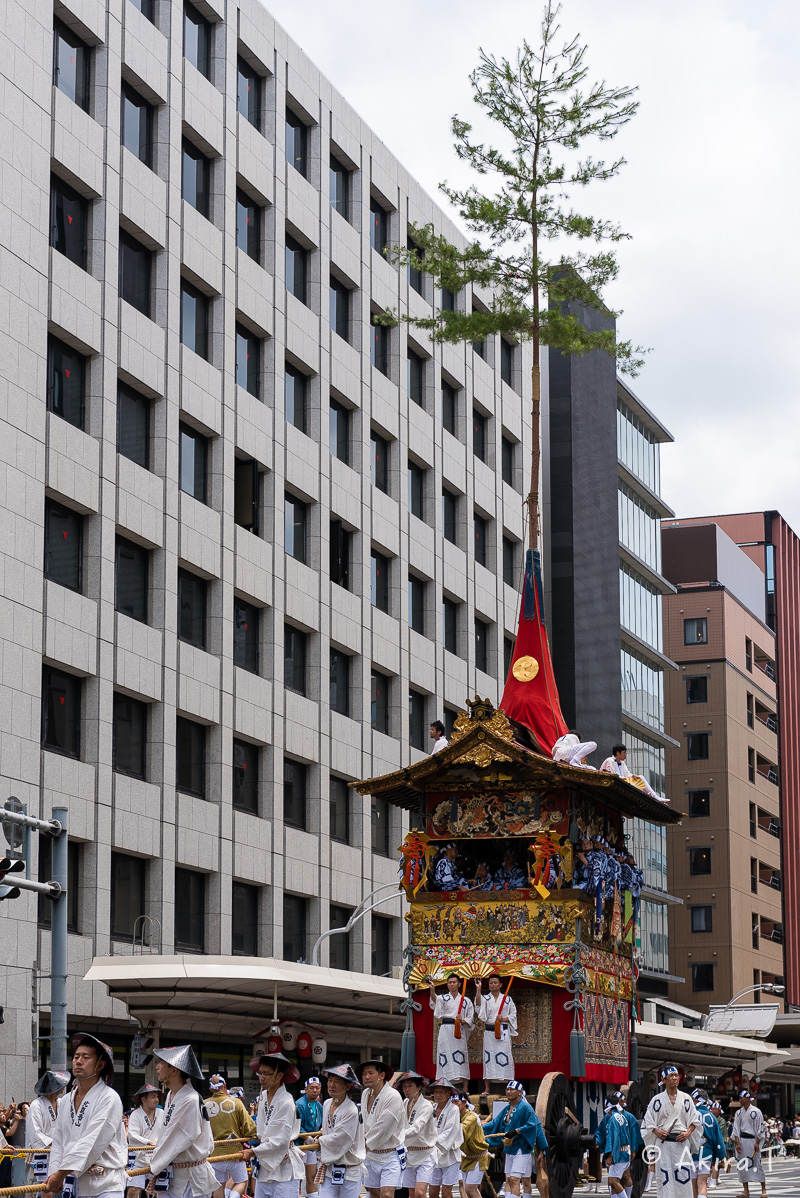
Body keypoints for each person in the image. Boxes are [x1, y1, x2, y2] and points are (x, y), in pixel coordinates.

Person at [43, 1033, 128, 1198]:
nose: (78, 1061)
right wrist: (53, 1173)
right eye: (76, 1056)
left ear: (100, 1064)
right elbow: (59, 1141)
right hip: (77, 1185)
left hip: (107, 1185)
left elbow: (92, 1140)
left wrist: (60, 1174)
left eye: (86, 1057)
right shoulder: (66, 1100)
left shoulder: (109, 1097)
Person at [148, 1045, 221, 1198]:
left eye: (161, 1063)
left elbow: (181, 1137)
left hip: (191, 1176)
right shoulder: (171, 1095)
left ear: (174, 1070)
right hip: (172, 1171)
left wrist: (154, 1162)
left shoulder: (190, 1098)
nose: (157, 1067)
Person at [242, 1053, 303, 1198]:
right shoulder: (263, 1096)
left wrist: (253, 1152)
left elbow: (279, 1139)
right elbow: (263, 1130)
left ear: (279, 1075)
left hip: (283, 1165)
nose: (261, 1077)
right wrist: (257, 1137)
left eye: (266, 1074)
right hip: (265, 1162)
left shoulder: (286, 1101)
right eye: (260, 1073)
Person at [641, 1065, 700, 1198]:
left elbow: (695, 1121)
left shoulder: (686, 1098)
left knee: (683, 1175)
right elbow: (648, 1122)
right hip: (664, 1144)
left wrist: (687, 1133)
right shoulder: (656, 1100)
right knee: (665, 1176)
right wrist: (656, 1132)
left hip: (681, 1143)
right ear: (664, 1079)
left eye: (676, 1075)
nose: (674, 1078)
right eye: (671, 1076)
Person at [481, 1081, 546, 1198]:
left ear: (520, 1092)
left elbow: (533, 1125)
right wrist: (479, 1128)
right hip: (510, 1148)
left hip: (522, 1148)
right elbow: (495, 1123)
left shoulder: (526, 1107)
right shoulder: (507, 1108)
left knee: (516, 1179)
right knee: (509, 1179)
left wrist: (516, 1131)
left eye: (512, 1089)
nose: (509, 1092)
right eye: (507, 1089)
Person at [357, 1059, 405, 1198]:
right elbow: (364, 1123)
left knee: (387, 1195)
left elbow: (382, 1128)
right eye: (364, 1073)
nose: (367, 1077)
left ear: (382, 1075)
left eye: (371, 1073)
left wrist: (360, 1144)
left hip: (390, 1154)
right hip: (370, 1154)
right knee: (374, 1193)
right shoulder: (365, 1093)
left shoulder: (393, 1096)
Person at [314, 1065, 364, 1198]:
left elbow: (340, 1138)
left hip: (349, 1169)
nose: (331, 1085)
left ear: (347, 1087)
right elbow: (328, 1131)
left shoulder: (351, 1110)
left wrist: (321, 1141)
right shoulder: (326, 1103)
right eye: (330, 1080)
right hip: (330, 1167)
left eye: (337, 1082)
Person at [205, 1074, 256, 1197]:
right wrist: (255, 1135)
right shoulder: (236, 1102)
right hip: (235, 1153)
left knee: (219, 1186)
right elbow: (249, 1127)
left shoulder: (204, 1104)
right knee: (241, 1181)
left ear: (210, 1089)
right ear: (225, 1086)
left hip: (214, 1154)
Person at [428, 974, 474, 1090]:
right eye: (449, 982)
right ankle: (445, 1086)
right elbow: (434, 1001)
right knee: (444, 1054)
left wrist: (462, 1020)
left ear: (459, 984)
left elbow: (470, 1018)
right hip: (446, 1030)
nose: (451, 984)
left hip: (458, 1029)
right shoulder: (443, 998)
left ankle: (465, 1088)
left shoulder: (466, 1000)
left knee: (461, 1055)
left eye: (454, 982)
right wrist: (432, 990)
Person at [26, 1070, 70, 1188]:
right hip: (45, 1151)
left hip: (61, 1150)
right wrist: (53, 1143)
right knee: (47, 1187)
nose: (63, 1088)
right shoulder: (37, 1105)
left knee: (64, 1186)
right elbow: (34, 1132)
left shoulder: (62, 1103)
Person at [474, 975, 517, 1094]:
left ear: (500, 985)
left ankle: (510, 1087)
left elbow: (513, 1015)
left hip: (503, 1031)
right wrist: (478, 989)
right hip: (489, 1032)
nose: (493, 985)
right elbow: (478, 1006)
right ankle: (487, 1088)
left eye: (495, 983)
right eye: (491, 983)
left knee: (506, 1056)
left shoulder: (507, 999)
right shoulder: (485, 998)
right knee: (489, 1058)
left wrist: (504, 1018)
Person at [395, 1072, 435, 1198]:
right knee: (411, 1193)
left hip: (426, 1153)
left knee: (419, 1192)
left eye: (410, 1086)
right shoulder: (404, 1102)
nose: (406, 1089)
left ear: (419, 1087)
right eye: (404, 1086)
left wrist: (397, 1135)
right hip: (409, 1154)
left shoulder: (427, 1105)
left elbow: (417, 1127)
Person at [426, 1081, 463, 1198]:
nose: (437, 1095)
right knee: (432, 1192)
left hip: (449, 1154)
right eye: (436, 1092)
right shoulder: (432, 1107)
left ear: (448, 1094)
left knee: (446, 1192)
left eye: (441, 1092)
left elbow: (449, 1131)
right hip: (433, 1154)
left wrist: (431, 1142)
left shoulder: (453, 1109)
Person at [127, 1084, 165, 1197]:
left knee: (160, 1191)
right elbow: (132, 1134)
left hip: (158, 1156)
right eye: (153, 1097)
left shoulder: (162, 1113)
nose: (156, 1100)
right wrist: (148, 1142)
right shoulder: (135, 1115)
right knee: (133, 1190)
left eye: (157, 1097)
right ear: (143, 1099)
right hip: (141, 1158)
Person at [603, 1091, 643, 1197]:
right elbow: (629, 1135)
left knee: (613, 1181)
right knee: (616, 1181)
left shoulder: (613, 1119)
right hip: (625, 1152)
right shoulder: (622, 1117)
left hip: (619, 1154)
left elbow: (614, 1138)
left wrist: (611, 1155)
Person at [452, 1092, 489, 1198]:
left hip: (478, 1157)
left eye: (456, 1102)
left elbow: (462, 1130)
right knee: (469, 1190)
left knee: (470, 1188)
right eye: (452, 1102)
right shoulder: (457, 1116)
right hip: (466, 1157)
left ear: (464, 1103)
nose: (454, 1105)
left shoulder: (471, 1117)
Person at [690, 1090, 726, 1198]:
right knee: (702, 1184)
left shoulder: (690, 1114)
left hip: (691, 1153)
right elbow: (718, 1139)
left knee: (693, 1185)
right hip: (706, 1152)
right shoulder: (712, 1117)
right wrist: (718, 1156)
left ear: (695, 1100)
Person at [732, 1090, 767, 1198]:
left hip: (753, 1140)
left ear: (747, 1098)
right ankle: (746, 1190)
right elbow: (736, 1128)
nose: (740, 1100)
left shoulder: (756, 1111)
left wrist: (757, 1142)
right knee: (742, 1165)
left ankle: (764, 1190)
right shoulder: (738, 1113)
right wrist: (737, 1143)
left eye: (742, 1098)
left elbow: (760, 1128)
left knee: (757, 1163)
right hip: (742, 1140)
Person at [599, 744, 665, 802]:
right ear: (618, 753)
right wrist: (624, 778)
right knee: (634, 785)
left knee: (640, 777)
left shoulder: (622, 763)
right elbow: (609, 775)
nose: (625, 755)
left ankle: (655, 796)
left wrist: (633, 775)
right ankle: (646, 795)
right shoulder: (609, 761)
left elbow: (627, 774)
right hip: (614, 782)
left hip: (622, 781)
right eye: (624, 753)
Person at [295, 1078, 323, 1198]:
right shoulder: (299, 1104)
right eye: (312, 1088)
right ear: (305, 1090)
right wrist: (308, 1137)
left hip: (311, 1146)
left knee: (311, 1177)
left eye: (317, 1088)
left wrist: (321, 1133)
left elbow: (323, 1124)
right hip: (299, 1145)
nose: (314, 1090)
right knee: (297, 1178)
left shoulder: (319, 1105)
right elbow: (296, 1125)